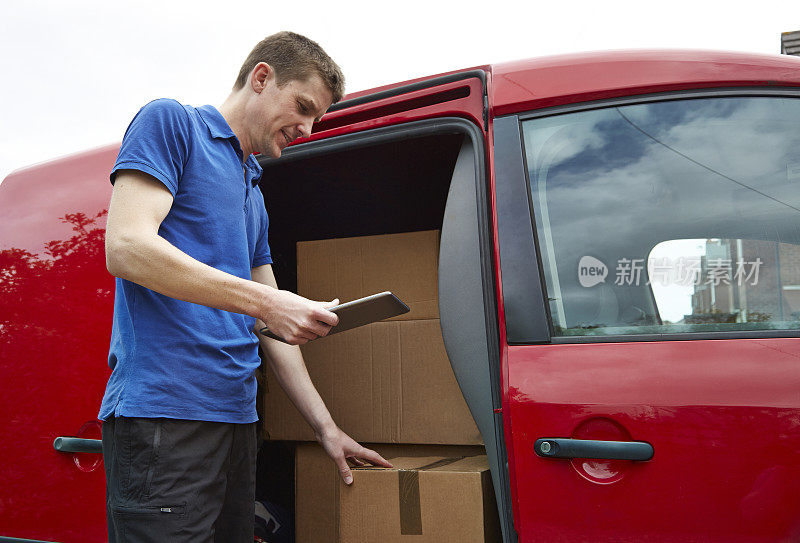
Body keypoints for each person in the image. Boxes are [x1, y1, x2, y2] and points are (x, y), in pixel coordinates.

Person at [99, 31, 391, 542]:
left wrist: (326, 428)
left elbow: (271, 326)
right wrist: (269, 302)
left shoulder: (253, 192)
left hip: (237, 420)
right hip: (166, 418)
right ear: (261, 78)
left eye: (315, 119)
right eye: (302, 106)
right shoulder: (173, 124)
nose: (306, 127)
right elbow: (125, 246)